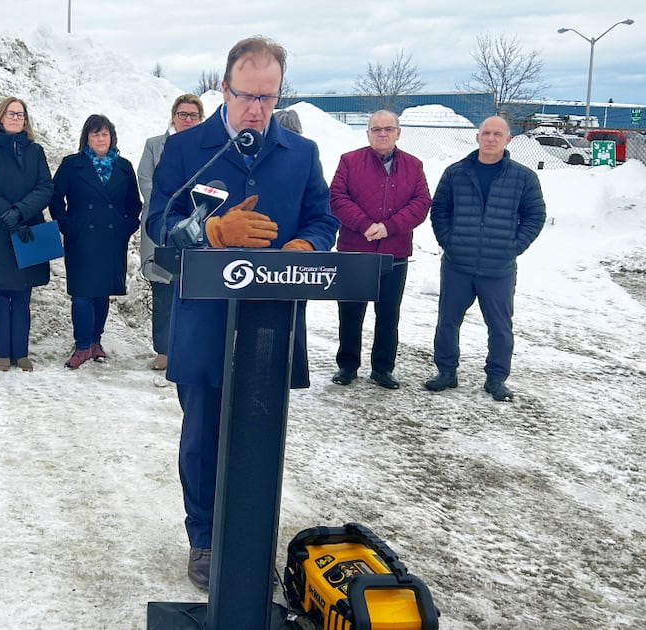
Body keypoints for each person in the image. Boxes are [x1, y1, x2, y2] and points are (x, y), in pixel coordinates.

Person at [145, 37, 340, 590]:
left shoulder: (300, 153)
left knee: (259, 436)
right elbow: (159, 223)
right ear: (225, 89)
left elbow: (322, 220)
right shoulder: (188, 149)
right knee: (203, 436)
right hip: (205, 320)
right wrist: (208, 229)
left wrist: (306, 246)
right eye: (247, 95)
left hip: (271, 324)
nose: (257, 108)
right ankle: (205, 538)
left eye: (268, 97)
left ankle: (251, 540)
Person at [425, 116, 546, 402]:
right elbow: (439, 210)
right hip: (457, 265)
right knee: (447, 322)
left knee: (500, 327)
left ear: (508, 140)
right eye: (486, 133)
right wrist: (449, 242)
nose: (491, 138)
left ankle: (496, 378)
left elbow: (535, 216)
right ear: (477, 137)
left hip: (498, 269)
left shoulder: (523, 177)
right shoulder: (456, 173)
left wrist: (512, 247)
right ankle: (446, 371)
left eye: (497, 134)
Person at [329, 110, 430, 389]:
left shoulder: (413, 165)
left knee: (388, 313)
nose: (382, 133)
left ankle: (383, 368)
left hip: (394, 252)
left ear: (398, 132)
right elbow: (337, 198)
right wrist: (363, 224)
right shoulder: (349, 161)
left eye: (388, 129)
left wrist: (390, 226)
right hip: (355, 250)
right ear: (368, 133)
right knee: (350, 312)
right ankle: (347, 365)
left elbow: (421, 203)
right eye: (376, 129)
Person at [50, 114, 142, 369]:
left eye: (105, 134)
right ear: (87, 138)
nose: (101, 139)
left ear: (111, 137)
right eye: (95, 134)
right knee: (82, 294)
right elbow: (55, 198)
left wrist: (125, 228)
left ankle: (95, 342)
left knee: (102, 293)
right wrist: (67, 225)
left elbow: (134, 204)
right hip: (81, 238)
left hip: (112, 239)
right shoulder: (72, 164)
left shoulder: (124, 167)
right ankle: (82, 346)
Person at [0, 97, 53, 372]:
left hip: (27, 227)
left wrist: (19, 211)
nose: (16, 118)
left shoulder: (35, 151)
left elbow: (45, 187)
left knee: (23, 292)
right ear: (0, 117)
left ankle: (21, 352)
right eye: (11, 113)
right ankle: (2, 353)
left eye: (21, 114)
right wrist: (6, 213)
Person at [137, 94, 204, 372]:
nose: (187, 119)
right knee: (164, 290)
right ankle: (164, 350)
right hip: (163, 226)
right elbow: (146, 180)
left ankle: (192, 347)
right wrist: (171, 210)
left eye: (193, 115)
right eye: (182, 114)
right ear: (173, 116)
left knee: (196, 290)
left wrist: (196, 214)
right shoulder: (155, 145)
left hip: (200, 226)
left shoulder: (209, 148)